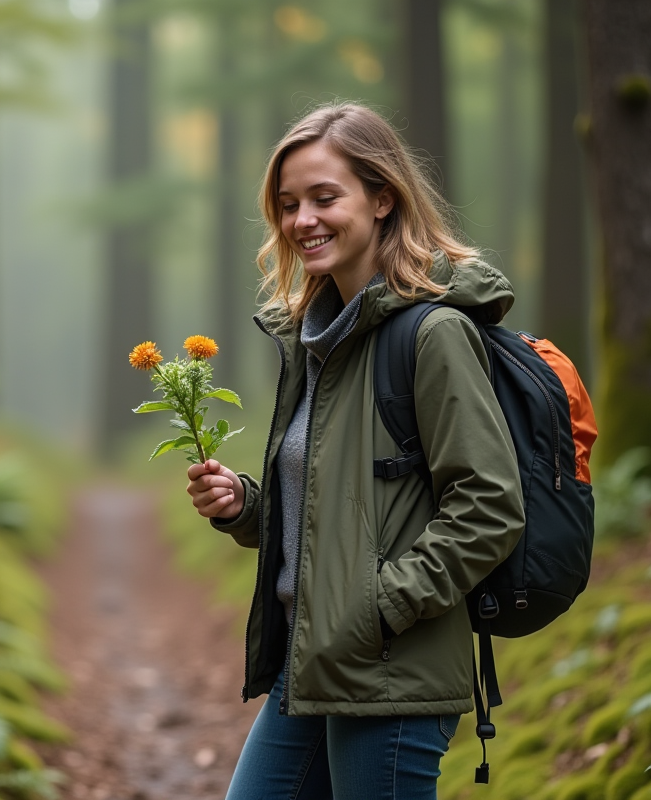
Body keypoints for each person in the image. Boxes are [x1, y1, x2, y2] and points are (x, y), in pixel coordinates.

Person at [186, 102, 526, 800]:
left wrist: (379, 606)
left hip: (390, 673)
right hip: (312, 662)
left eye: (323, 197)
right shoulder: (318, 338)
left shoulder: (431, 335)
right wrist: (247, 506)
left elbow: (490, 506)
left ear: (381, 198)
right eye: (287, 204)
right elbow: (340, 508)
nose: (301, 219)